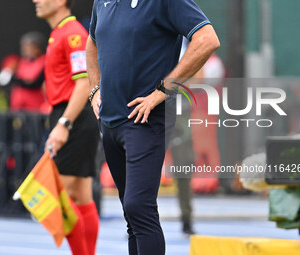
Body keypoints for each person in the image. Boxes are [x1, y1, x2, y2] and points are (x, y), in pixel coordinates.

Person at [86, 0, 220, 254]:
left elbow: (207, 39)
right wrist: (94, 90)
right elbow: (91, 41)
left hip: (146, 120)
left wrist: (163, 90)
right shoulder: (101, 2)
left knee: (139, 206)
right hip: (110, 122)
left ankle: (187, 219)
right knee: (131, 214)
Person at [31, 0, 100, 254]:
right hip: (71, 115)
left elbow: (84, 84)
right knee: (81, 196)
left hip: (75, 116)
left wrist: (64, 124)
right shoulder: (58, 32)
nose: (36, 0)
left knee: (58, 195)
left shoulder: (72, 34)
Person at [0, 32, 48, 112]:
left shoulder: (44, 62)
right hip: (17, 108)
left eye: (29, 46)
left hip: (35, 108)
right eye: (23, 47)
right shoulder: (20, 62)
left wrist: (13, 79)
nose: (25, 50)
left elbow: (34, 83)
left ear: (38, 48)